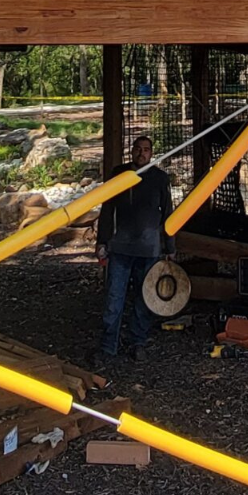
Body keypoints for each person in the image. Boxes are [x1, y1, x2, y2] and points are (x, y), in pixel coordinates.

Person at [94, 133, 173, 364]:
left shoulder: (160, 178)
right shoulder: (119, 175)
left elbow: (168, 213)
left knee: (144, 299)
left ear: (151, 153)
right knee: (113, 299)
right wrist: (102, 241)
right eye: (138, 149)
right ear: (132, 151)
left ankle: (138, 342)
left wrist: (170, 246)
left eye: (146, 149)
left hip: (149, 249)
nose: (141, 153)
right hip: (120, 248)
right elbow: (107, 210)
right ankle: (108, 346)